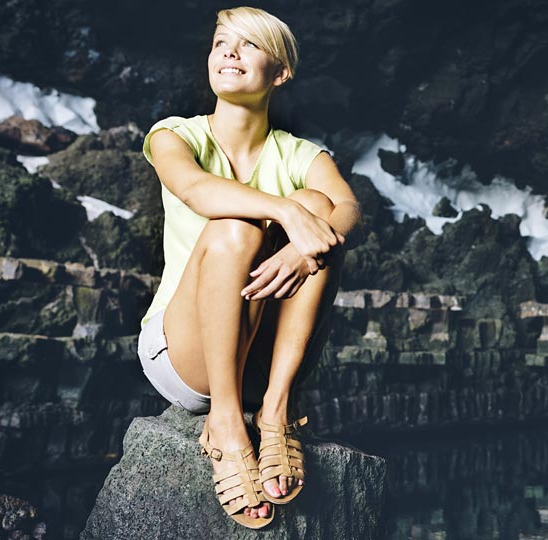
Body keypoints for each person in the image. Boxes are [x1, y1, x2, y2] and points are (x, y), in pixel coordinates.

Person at [135, 7, 361, 528]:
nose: (230, 53)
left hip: (264, 357)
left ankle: (276, 411)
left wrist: (309, 244)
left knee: (322, 209)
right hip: (184, 357)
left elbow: (349, 210)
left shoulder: (299, 152)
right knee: (239, 225)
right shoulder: (175, 135)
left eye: (249, 45)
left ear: (280, 72)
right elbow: (195, 189)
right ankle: (229, 424)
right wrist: (284, 212)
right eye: (221, 43)